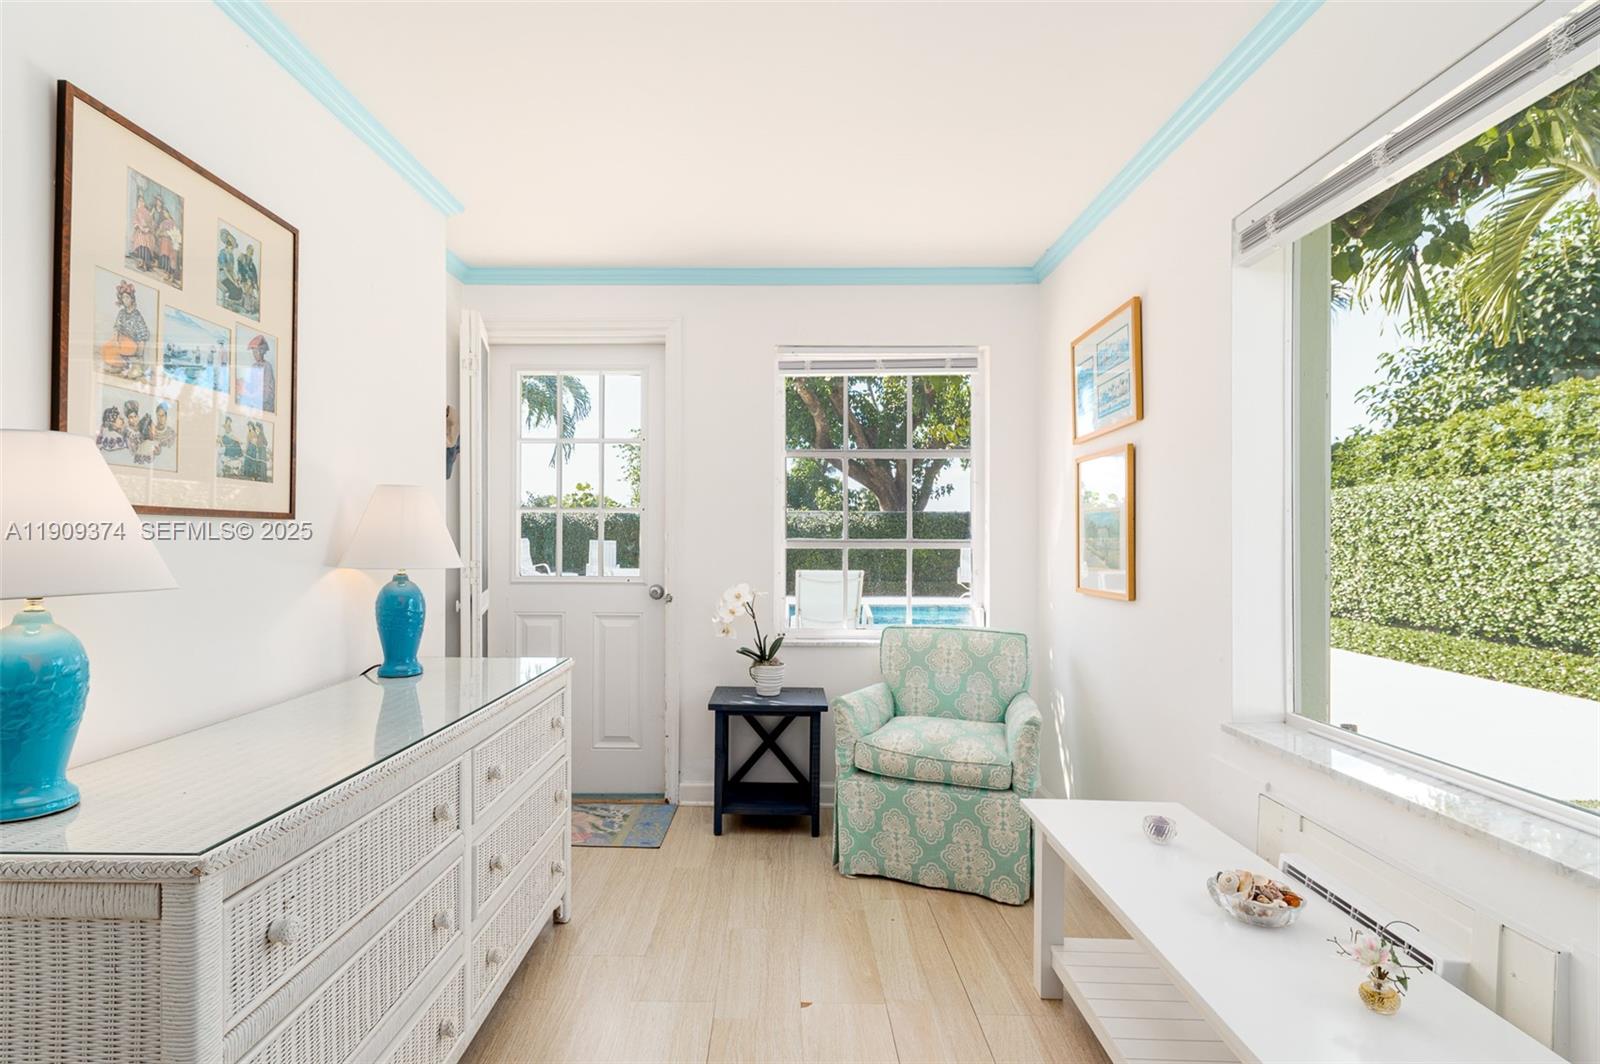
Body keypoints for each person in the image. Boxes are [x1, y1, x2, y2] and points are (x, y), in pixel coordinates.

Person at [102, 279, 151, 377]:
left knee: (126, 353)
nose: (125, 300)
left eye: (127, 297)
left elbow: (142, 336)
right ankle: (120, 365)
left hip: (133, 344)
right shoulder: (121, 313)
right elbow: (117, 328)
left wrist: (139, 355)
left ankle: (129, 365)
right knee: (107, 348)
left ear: (132, 299)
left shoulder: (137, 316)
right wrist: (115, 340)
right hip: (121, 340)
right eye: (123, 298)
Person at [238, 334, 276, 411]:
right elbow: (251, 384)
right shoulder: (254, 366)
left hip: (265, 405)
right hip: (254, 400)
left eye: (256, 352)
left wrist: (255, 397)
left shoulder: (267, 366)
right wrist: (244, 383)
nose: (254, 354)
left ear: (262, 351)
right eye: (253, 352)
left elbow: (268, 389)